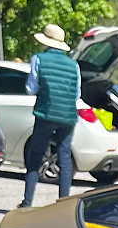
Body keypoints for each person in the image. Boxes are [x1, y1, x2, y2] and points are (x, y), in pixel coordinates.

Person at [19, 23, 81, 208]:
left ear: (46, 42)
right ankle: (63, 204)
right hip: (68, 116)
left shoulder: (38, 59)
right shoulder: (74, 65)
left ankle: (27, 202)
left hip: (45, 113)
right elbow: (77, 94)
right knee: (64, 158)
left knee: (35, 156)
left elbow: (31, 88)